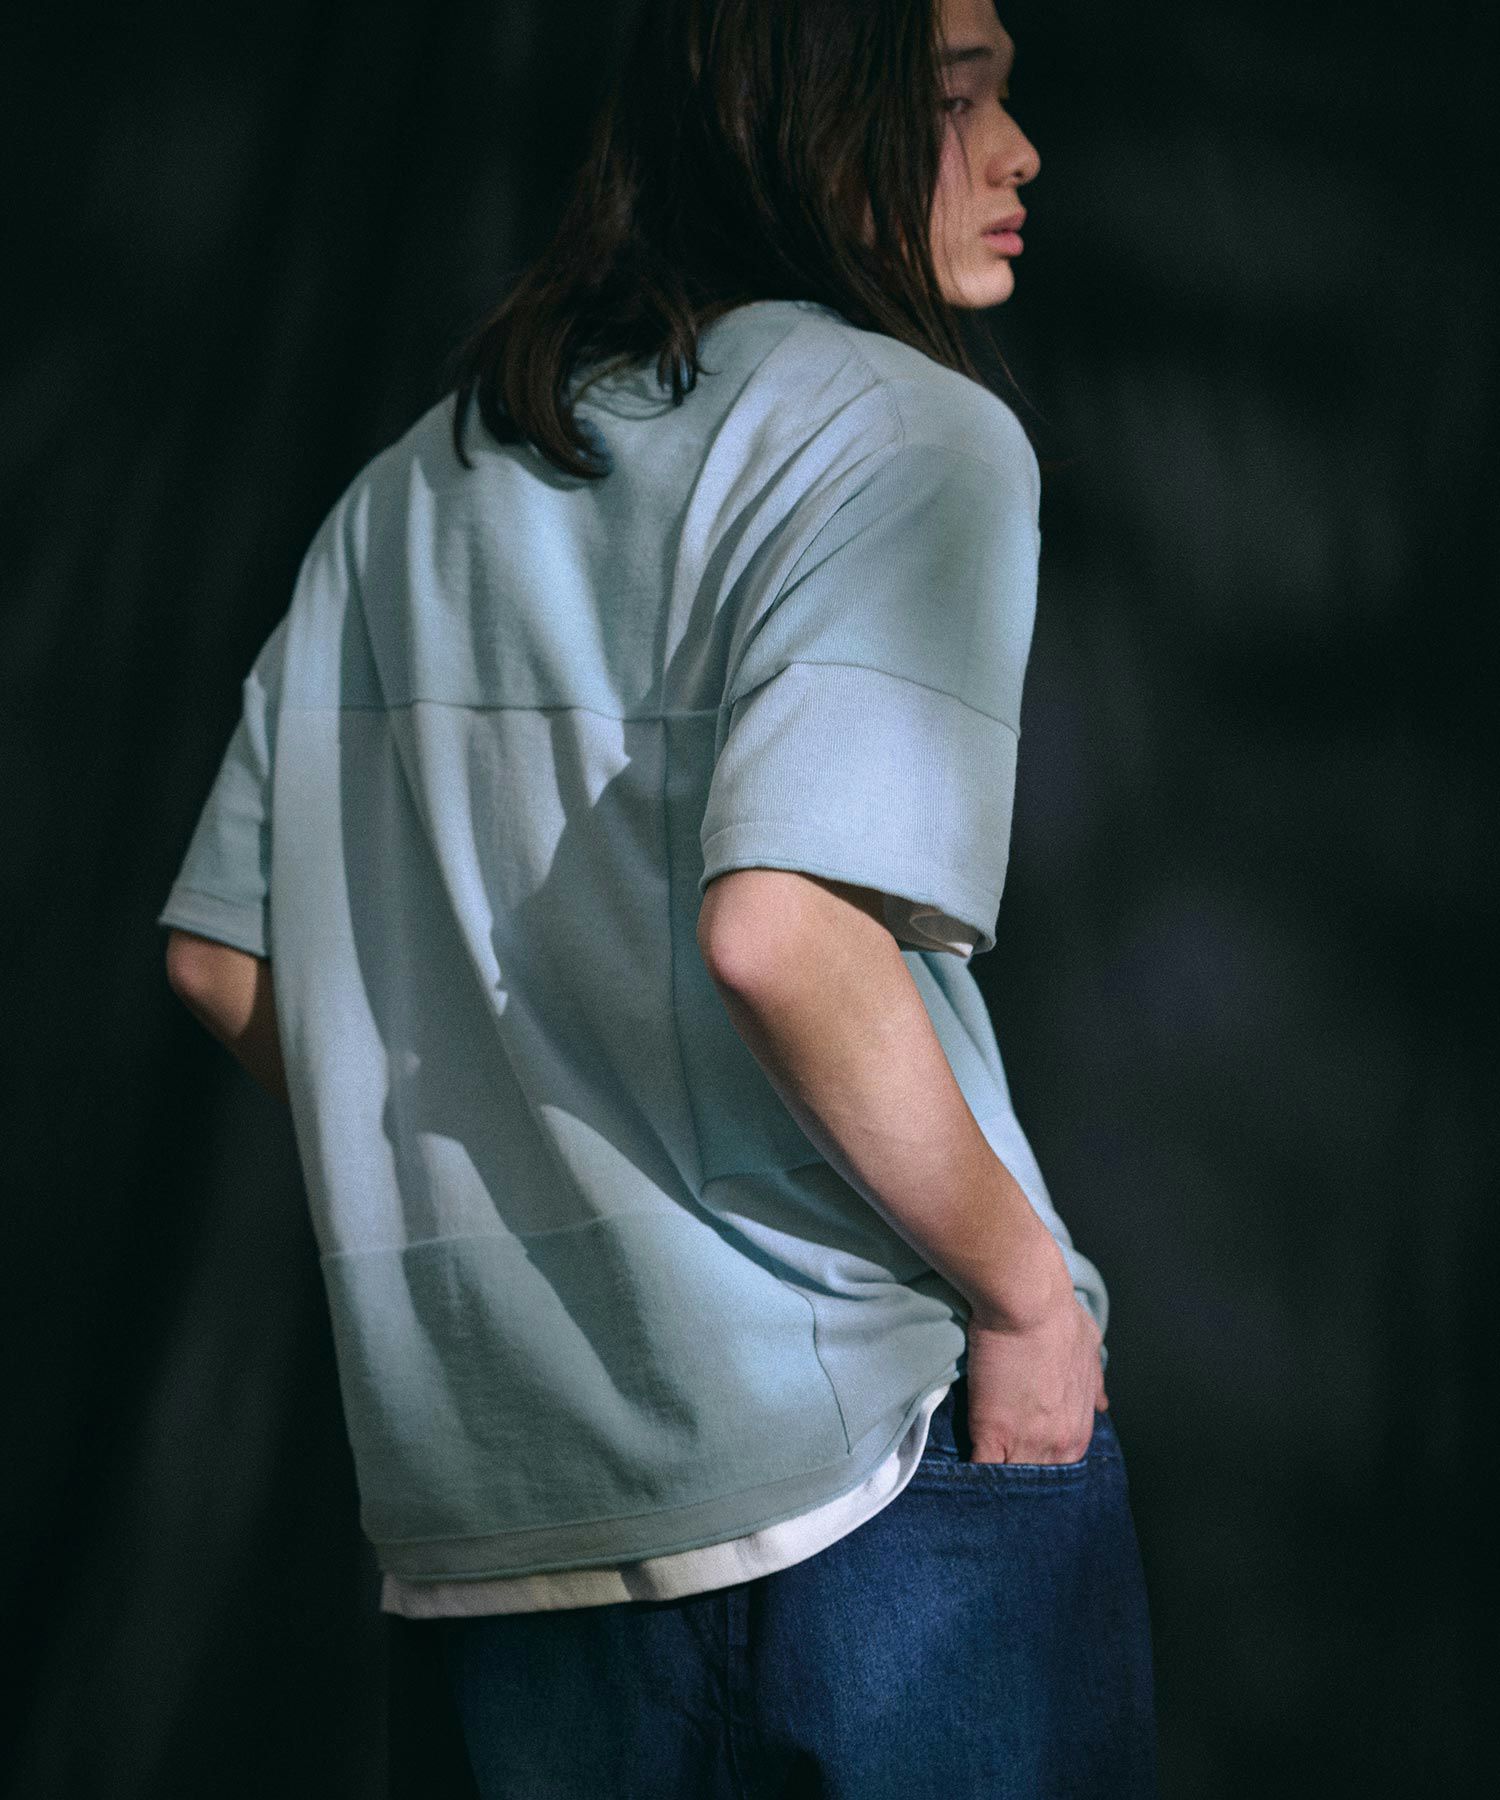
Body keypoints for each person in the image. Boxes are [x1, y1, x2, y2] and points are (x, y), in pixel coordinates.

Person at [158, 0, 1158, 1792]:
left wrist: (533, 1155)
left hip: (499, 1522)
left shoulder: (410, 491)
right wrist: (1026, 1303)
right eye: (958, 97)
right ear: (800, 125)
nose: (1019, 152)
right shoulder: (909, 431)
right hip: (863, 1470)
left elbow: (221, 963)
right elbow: (780, 934)